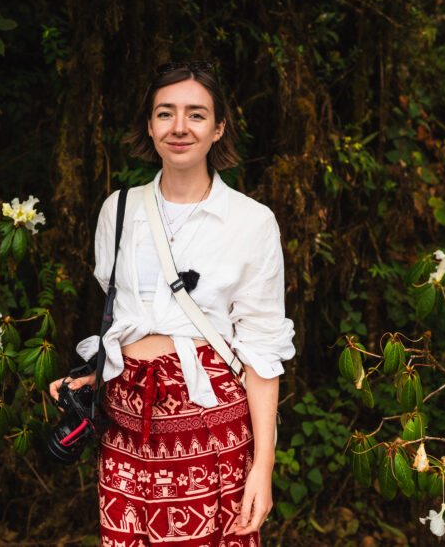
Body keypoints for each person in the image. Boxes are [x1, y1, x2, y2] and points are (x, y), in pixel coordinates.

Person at [49, 61, 295, 546]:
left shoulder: (252, 222)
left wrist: (262, 466)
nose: (179, 127)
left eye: (196, 114)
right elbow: (125, 321)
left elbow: (263, 353)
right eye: (166, 113)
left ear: (218, 127)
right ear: (150, 124)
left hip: (210, 425)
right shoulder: (117, 210)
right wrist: (91, 378)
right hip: (124, 424)